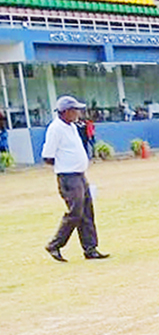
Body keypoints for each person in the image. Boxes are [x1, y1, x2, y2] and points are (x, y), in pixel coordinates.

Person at [43, 96, 109, 262]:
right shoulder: (55, 128)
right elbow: (48, 156)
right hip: (68, 177)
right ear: (66, 112)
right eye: (75, 110)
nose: (78, 113)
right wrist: (65, 166)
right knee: (76, 212)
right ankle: (55, 244)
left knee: (87, 211)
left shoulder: (71, 126)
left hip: (79, 175)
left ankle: (90, 248)